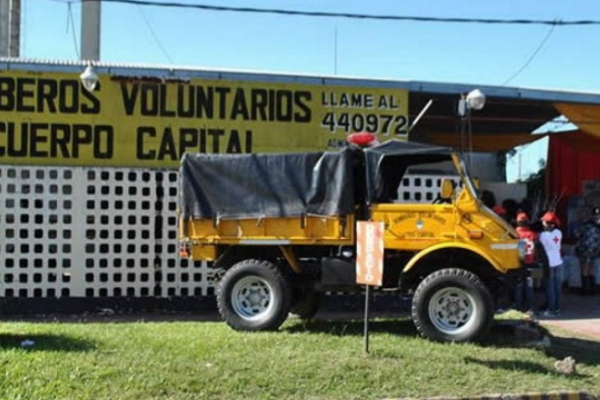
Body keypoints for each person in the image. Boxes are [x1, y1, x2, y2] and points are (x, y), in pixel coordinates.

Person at [539, 211, 563, 317]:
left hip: (547, 264)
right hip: (558, 262)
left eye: (544, 221)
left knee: (549, 287)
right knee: (557, 287)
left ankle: (551, 310)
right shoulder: (558, 232)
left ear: (549, 224)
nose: (542, 223)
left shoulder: (543, 235)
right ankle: (557, 308)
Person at [514, 212, 539, 314]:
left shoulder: (514, 234)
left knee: (518, 286)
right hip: (531, 263)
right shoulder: (533, 234)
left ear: (517, 222)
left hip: (518, 264)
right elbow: (537, 250)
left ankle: (518, 308)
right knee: (530, 287)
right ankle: (532, 308)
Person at [574, 207, 600, 295]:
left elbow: (576, 233)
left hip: (585, 248)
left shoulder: (586, 224)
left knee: (584, 268)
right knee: (591, 268)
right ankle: (592, 288)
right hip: (595, 249)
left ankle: (585, 289)